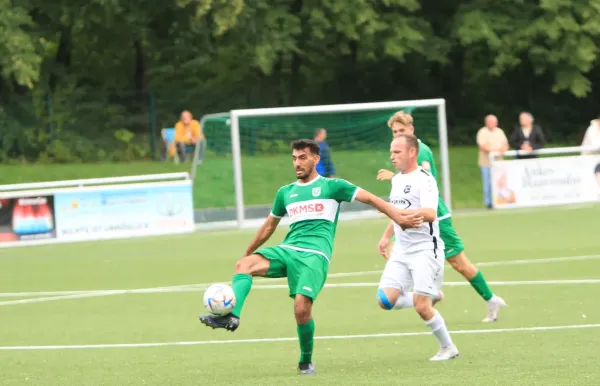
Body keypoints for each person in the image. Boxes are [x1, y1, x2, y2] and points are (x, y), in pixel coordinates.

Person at [199, 139, 424, 375]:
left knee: (301, 310)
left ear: (316, 159)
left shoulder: (333, 186)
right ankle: (232, 317)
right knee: (244, 265)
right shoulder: (286, 192)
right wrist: (247, 252)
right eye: (294, 158)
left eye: (302, 158)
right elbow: (268, 226)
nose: (297, 163)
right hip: (289, 249)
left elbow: (371, 199)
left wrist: (398, 217)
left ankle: (306, 360)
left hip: (315, 255)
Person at [376, 111, 506, 322]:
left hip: (436, 219)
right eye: (394, 132)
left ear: (412, 130)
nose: (398, 134)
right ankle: (425, 294)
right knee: (439, 261)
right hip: (418, 218)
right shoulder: (403, 153)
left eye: (402, 130)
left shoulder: (420, 152)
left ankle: (489, 299)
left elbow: (427, 183)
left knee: (460, 263)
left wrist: (396, 177)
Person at [377, 134, 458, 361]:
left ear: (412, 152)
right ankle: (431, 294)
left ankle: (448, 347)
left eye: (397, 152)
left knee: (422, 307)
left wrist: (396, 212)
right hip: (402, 250)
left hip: (425, 249)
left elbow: (430, 213)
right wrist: (386, 237)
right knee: (385, 300)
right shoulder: (397, 180)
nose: (392, 156)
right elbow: (395, 211)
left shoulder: (425, 179)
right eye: (391, 152)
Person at [476, 115, 509, 209]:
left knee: (499, 182)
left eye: (493, 122)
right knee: (487, 184)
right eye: (489, 122)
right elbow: (482, 146)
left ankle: (499, 201)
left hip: (498, 163)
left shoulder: (500, 132)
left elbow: (506, 145)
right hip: (486, 163)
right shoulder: (482, 132)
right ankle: (488, 203)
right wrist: (494, 151)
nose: (492, 124)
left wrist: (502, 150)